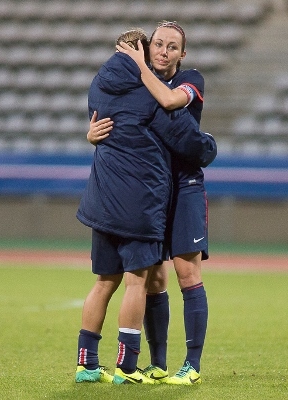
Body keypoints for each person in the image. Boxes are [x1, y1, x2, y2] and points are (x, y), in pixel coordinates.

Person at [75, 28, 217, 385]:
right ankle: (157, 363)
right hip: (150, 190)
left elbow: (169, 104)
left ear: (182, 54)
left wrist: (139, 67)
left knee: (187, 274)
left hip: (182, 185)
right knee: (153, 278)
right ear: (148, 46)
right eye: (159, 45)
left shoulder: (189, 80)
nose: (165, 52)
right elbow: (113, 122)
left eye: (173, 47)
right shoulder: (142, 85)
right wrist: (91, 135)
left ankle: (193, 365)